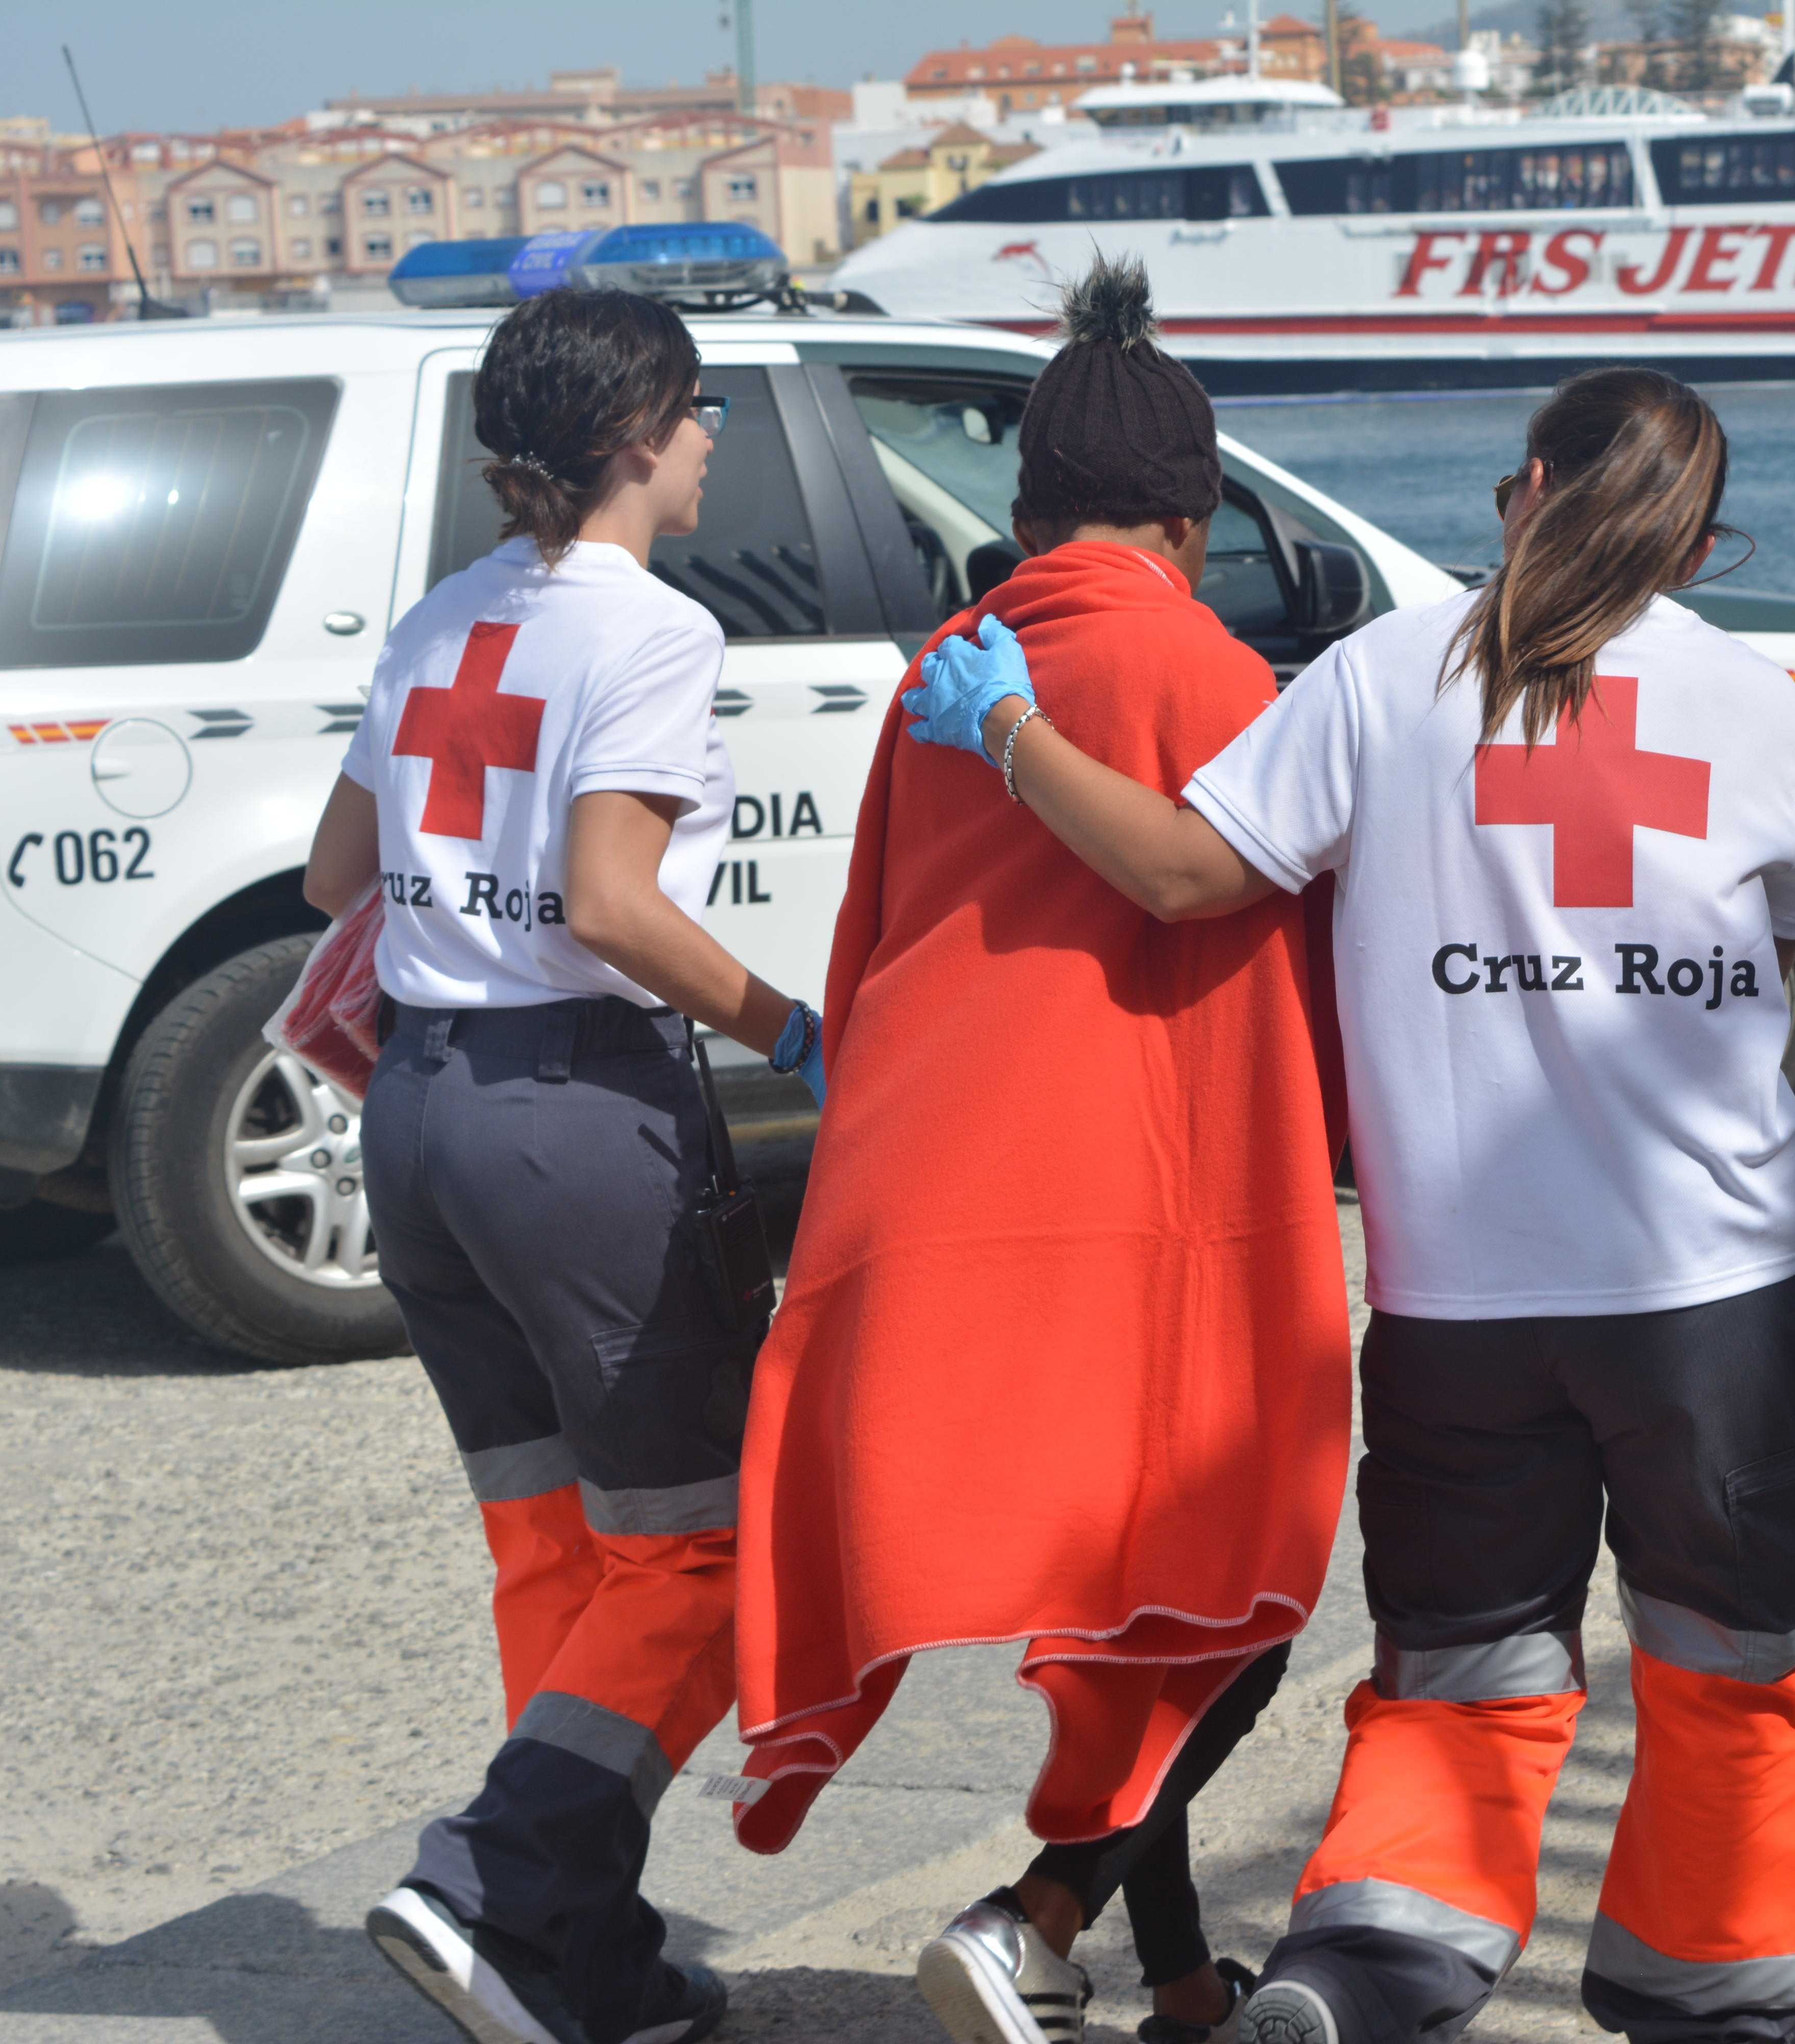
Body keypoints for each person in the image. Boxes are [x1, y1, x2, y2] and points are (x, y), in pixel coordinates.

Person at [909, 365, 1795, 2044]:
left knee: (1460, 1687)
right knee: (1738, 1674)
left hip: (1462, 1307)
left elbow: (1186, 874)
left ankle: (1365, 1978)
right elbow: (1773, 953)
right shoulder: (1758, 699)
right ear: (1695, 547)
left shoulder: (1381, 672)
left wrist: (1007, 728)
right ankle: (1719, 2009)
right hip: (1715, 1297)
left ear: (1526, 488)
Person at [728, 257, 1353, 2044]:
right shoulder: (1221, 671)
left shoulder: (950, 665)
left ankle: (1161, 1984)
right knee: (1225, 1598)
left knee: (1131, 1610)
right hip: (1138, 1213)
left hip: (930, 1189)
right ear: (1198, 509)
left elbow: (868, 936)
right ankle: (1032, 1917)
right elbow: (1265, 935)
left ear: (1024, 510)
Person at [301, 285, 826, 2044]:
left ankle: (572, 1956)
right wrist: (801, 1029)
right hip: (571, 1121)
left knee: (557, 1553)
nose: (709, 444)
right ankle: (491, 1879)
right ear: (631, 441)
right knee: (699, 1554)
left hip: (422, 1114)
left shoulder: (442, 617)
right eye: (700, 414)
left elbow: (332, 878)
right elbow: (613, 905)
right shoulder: (654, 631)